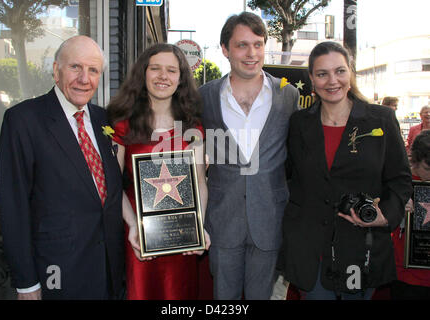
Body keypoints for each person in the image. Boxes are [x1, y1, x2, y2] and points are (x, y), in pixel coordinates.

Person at [279, 41, 412, 300]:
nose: (332, 81)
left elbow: (400, 179)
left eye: (340, 71)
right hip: (310, 250)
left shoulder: (381, 119)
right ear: (311, 79)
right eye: (322, 74)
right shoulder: (298, 123)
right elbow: (288, 176)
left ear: (351, 72)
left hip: (363, 246)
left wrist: (386, 216)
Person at [0, 35, 124, 300]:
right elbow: (14, 206)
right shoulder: (23, 120)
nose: (84, 78)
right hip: (56, 275)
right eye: (75, 67)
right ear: (56, 70)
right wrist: (26, 282)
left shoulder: (105, 121)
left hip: (109, 274)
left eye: (93, 70)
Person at [199, 12, 300, 300]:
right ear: (225, 49)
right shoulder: (203, 97)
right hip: (221, 219)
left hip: (270, 217)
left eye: (258, 44)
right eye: (242, 45)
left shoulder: (287, 95)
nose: (251, 53)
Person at [106, 43, 210, 300]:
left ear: (181, 79)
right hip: (140, 236)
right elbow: (113, 184)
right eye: (155, 68)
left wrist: (198, 226)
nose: (163, 76)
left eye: (172, 71)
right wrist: (133, 225)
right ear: (143, 73)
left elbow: (199, 181)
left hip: (181, 236)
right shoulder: (121, 124)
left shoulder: (192, 126)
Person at [391, 130, 430, 299]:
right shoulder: (398, 178)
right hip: (405, 268)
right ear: (415, 159)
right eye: (427, 168)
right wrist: (395, 204)